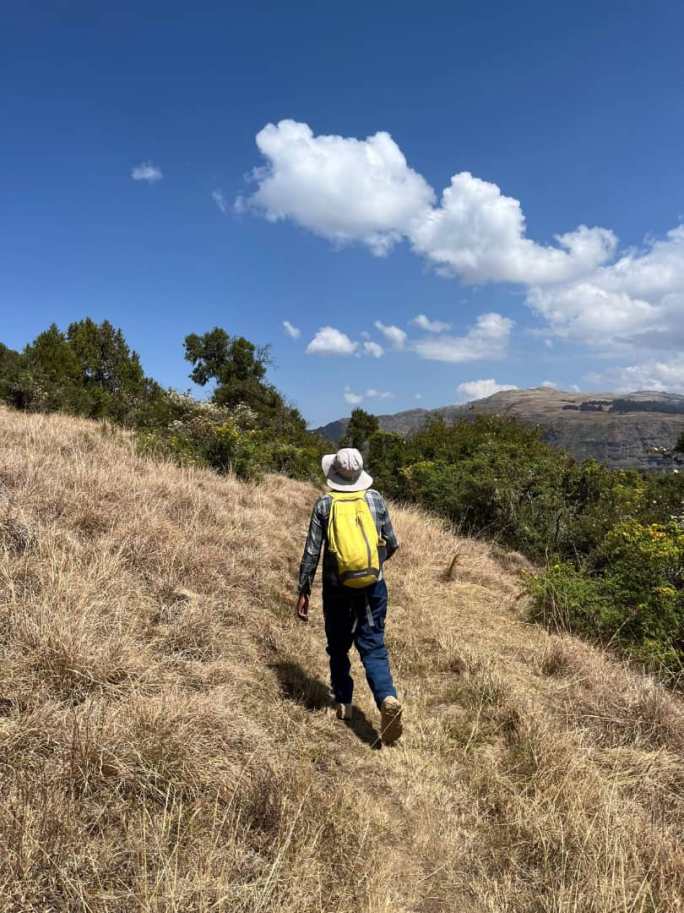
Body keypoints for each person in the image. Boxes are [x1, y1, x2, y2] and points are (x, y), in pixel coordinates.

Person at [295, 447, 403, 745]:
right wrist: (372, 566)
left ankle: (343, 702)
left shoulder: (324, 504)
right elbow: (392, 543)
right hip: (373, 586)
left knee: (339, 645)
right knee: (373, 645)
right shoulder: (375, 498)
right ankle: (386, 698)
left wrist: (303, 589)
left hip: (337, 587)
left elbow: (312, 552)